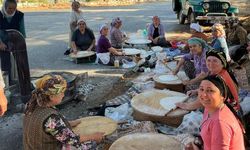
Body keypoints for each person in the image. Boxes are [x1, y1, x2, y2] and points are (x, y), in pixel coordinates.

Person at [23, 75, 104, 150]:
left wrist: (69, 123)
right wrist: (93, 136)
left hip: (31, 146)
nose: (63, 95)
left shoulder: (32, 104)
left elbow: (49, 127)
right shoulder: (50, 118)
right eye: (61, 93)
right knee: (89, 144)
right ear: (51, 97)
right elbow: (70, 139)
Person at [186, 75, 245, 150]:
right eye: (201, 89)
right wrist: (198, 144)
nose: (204, 95)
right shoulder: (210, 108)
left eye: (210, 91)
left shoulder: (220, 124)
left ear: (222, 96)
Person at [0, 0, 26, 84]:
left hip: (15, 40)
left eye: (14, 8)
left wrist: (22, 44)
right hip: (2, 41)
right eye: (9, 8)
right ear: (4, 7)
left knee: (21, 62)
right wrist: (0, 43)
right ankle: (7, 83)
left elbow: (22, 31)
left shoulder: (19, 15)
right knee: (6, 64)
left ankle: (23, 82)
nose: (12, 10)